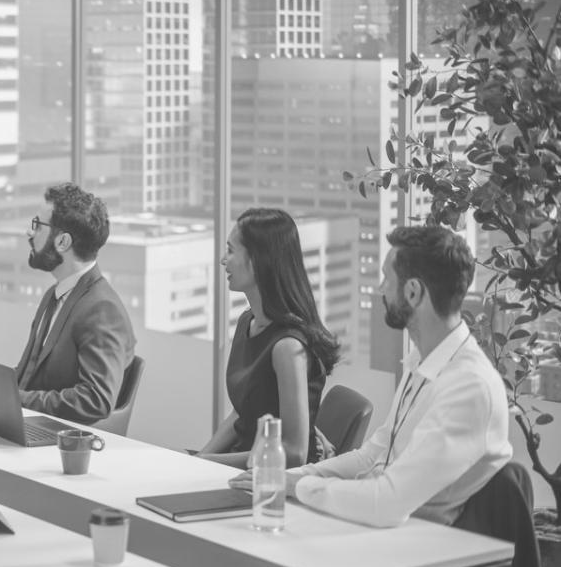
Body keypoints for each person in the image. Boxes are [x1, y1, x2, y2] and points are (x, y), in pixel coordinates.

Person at [230, 225, 512, 527]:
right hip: (379, 530)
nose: (380, 289)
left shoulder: (468, 386)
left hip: (417, 546)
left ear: (413, 291)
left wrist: (297, 487)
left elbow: (386, 503)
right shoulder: (424, 361)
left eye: (386, 279)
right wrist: (289, 478)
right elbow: (372, 457)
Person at [198, 209, 340, 468]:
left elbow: (294, 453)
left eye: (230, 251)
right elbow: (243, 415)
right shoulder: (246, 322)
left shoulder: (287, 347)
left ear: (258, 260)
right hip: (238, 467)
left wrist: (209, 463)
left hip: (270, 483)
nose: (222, 260)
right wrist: (198, 460)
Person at [15, 182, 136, 424]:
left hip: (62, 443)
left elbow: (96, 399)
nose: (29, 233)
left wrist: (20, 400)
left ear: (63, 242)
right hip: (26, 426)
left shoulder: (102, 309)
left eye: (37, 226)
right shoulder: (54, 294)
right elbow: (26, 377)